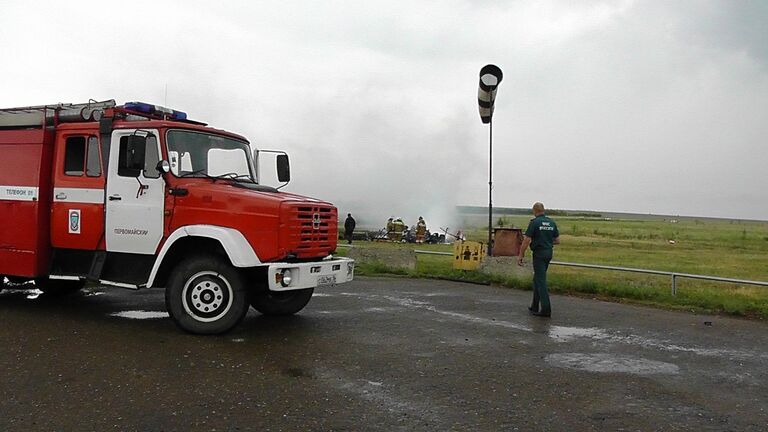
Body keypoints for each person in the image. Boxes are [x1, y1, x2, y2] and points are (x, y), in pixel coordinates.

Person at [518, 202, 560, 317]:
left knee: (541, 281)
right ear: (543, 210)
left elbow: (526, 240)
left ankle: (546, 309)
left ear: (534, 211)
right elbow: (557, 240)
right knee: (537, 278)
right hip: (548, 253)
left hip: (539, 254)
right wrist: (546, 242)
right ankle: (534, 305)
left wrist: (521, 254)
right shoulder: (552, 222)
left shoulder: (534, 223)